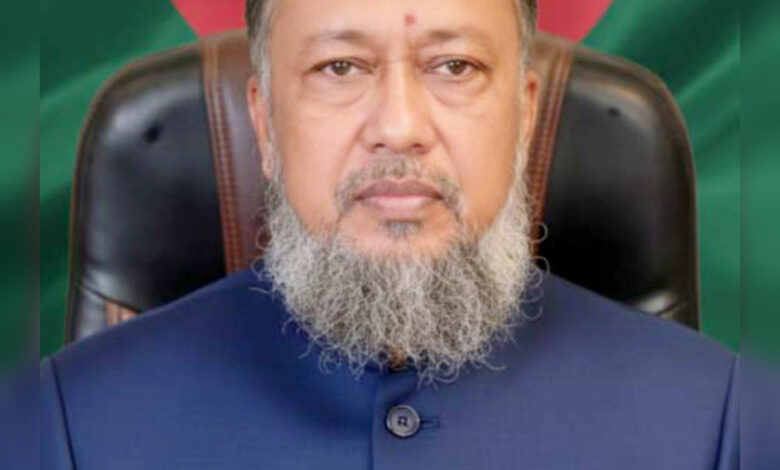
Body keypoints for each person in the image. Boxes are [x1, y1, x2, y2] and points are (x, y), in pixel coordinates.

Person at [40, 0, 739, 468]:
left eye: (455, 66)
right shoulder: (72, 424)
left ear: (525, 116)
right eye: (339, 67)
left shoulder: (717, 423)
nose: (399, 127)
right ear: (265, 122)